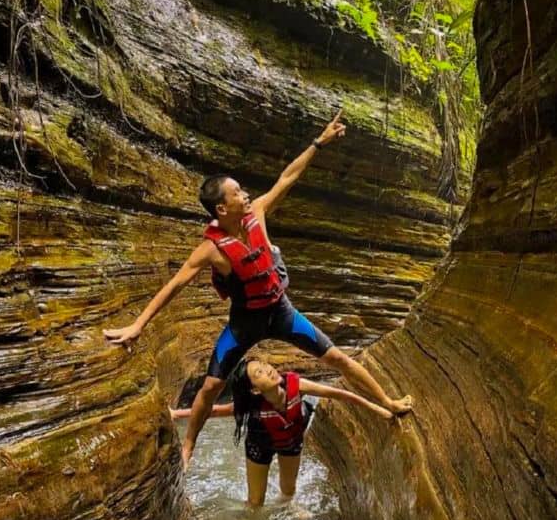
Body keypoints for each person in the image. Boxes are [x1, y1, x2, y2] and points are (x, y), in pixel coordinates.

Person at [103, 110, 413, 467]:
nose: (247, 195)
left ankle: (388, 403)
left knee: (338, 358)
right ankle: (189, 445)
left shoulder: (259, 213)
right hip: (246, 321)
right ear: (222, 207)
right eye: (238, 192)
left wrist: (319, 142)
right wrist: (138, 325)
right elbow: (175, 284)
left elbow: (289, 177)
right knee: (209, 387)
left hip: (280, 311)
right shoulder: (213, 249)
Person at [170, 358, 394, 507]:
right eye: (259, 372)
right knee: (256, 501)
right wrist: (177, 415)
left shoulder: (296, 384)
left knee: (288, 490)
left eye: (265, 365)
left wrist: (377, 407)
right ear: (255, 389)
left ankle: (289, 508)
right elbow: (215, 410)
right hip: (259, 446)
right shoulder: (253, 404)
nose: (268, 369)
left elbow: (339, 394)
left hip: (291, 442)